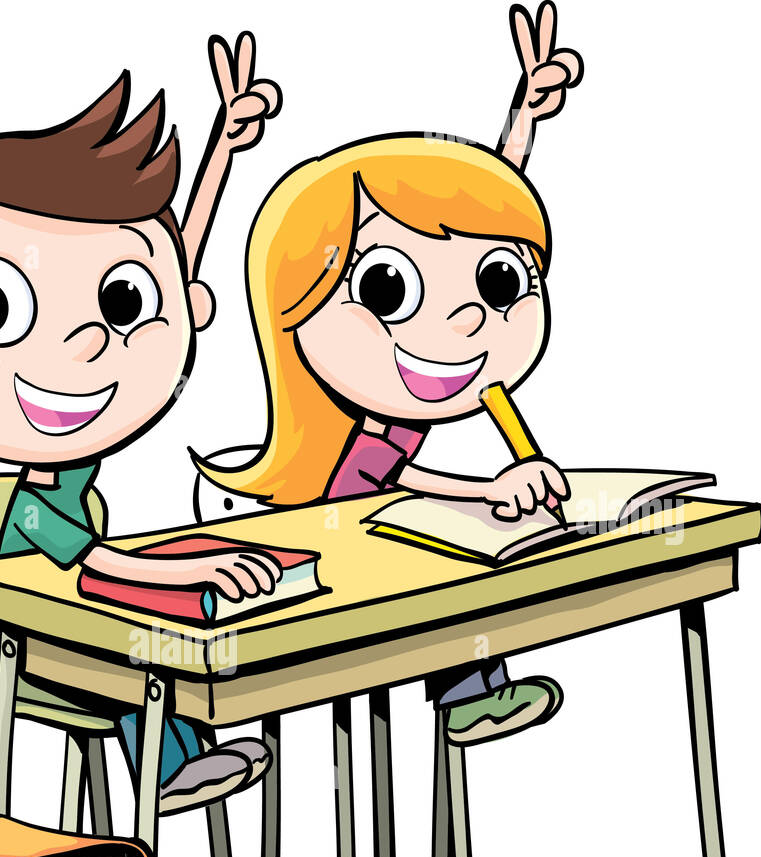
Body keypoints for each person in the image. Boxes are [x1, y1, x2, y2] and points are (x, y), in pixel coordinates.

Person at [0, 36, 284, 808]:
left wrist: (222, 144)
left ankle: (182, 755)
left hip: (76, 617)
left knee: (157, 646)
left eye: (118, 306)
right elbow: (97, 569)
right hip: (34, 642)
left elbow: (170, 262)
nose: (84, 343)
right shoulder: (29, 507)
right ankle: (166, 773)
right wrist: (188, 570)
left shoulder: (75, 469)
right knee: (140, 655)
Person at [198, 3, 584, 744]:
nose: (463, 320)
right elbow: (374, 484)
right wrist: (482, 491)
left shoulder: (400, 404)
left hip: (363, 536)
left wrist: (522, 118)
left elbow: (484, 209)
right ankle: (467, 694)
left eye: (500, 284)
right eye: (384, 290)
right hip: (312, 544)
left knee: (460, 572)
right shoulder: (350, 419)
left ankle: (470, 693)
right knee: (448, 578)